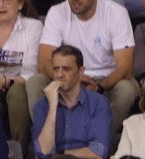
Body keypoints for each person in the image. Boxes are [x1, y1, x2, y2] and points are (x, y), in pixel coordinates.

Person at [30, 0, 139, 135]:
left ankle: (97, 142)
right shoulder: (57, 12)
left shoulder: (115, 12)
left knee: (126, 90)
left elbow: (125, 67)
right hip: (68, 74)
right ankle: (48, 141)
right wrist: (70, 79)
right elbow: (44, 62)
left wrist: (100, 87)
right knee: (35, 81)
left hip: (108, 78)